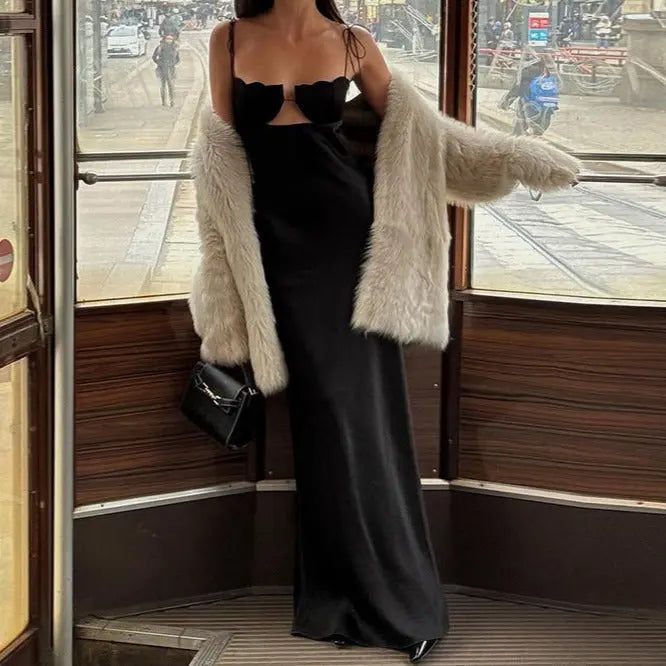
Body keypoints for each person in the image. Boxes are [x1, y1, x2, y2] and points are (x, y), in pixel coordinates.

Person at [192, 1, 578, 663]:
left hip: (350, 245)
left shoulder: (353, 43)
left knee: (363, 415)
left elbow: (420, 133)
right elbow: (218, 161)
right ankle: (335, 597)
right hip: (272, 254)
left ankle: (401, 601)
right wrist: (224, 285)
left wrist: (518, 157)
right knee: (319, 421)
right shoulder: (227, 40)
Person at [152, 35, 180, 107]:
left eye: (170, 39)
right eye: (167, 39)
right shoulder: (160, 47)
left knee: (171, 86)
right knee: (163, 86)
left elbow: (177, 59)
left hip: (171, 69)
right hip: (161, 69)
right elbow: (154, 57)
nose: (169, 40)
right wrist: (159, 63)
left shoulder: (174, 48)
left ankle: (172, 101)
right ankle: (163, 101)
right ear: (164, 39)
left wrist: (172, 64)